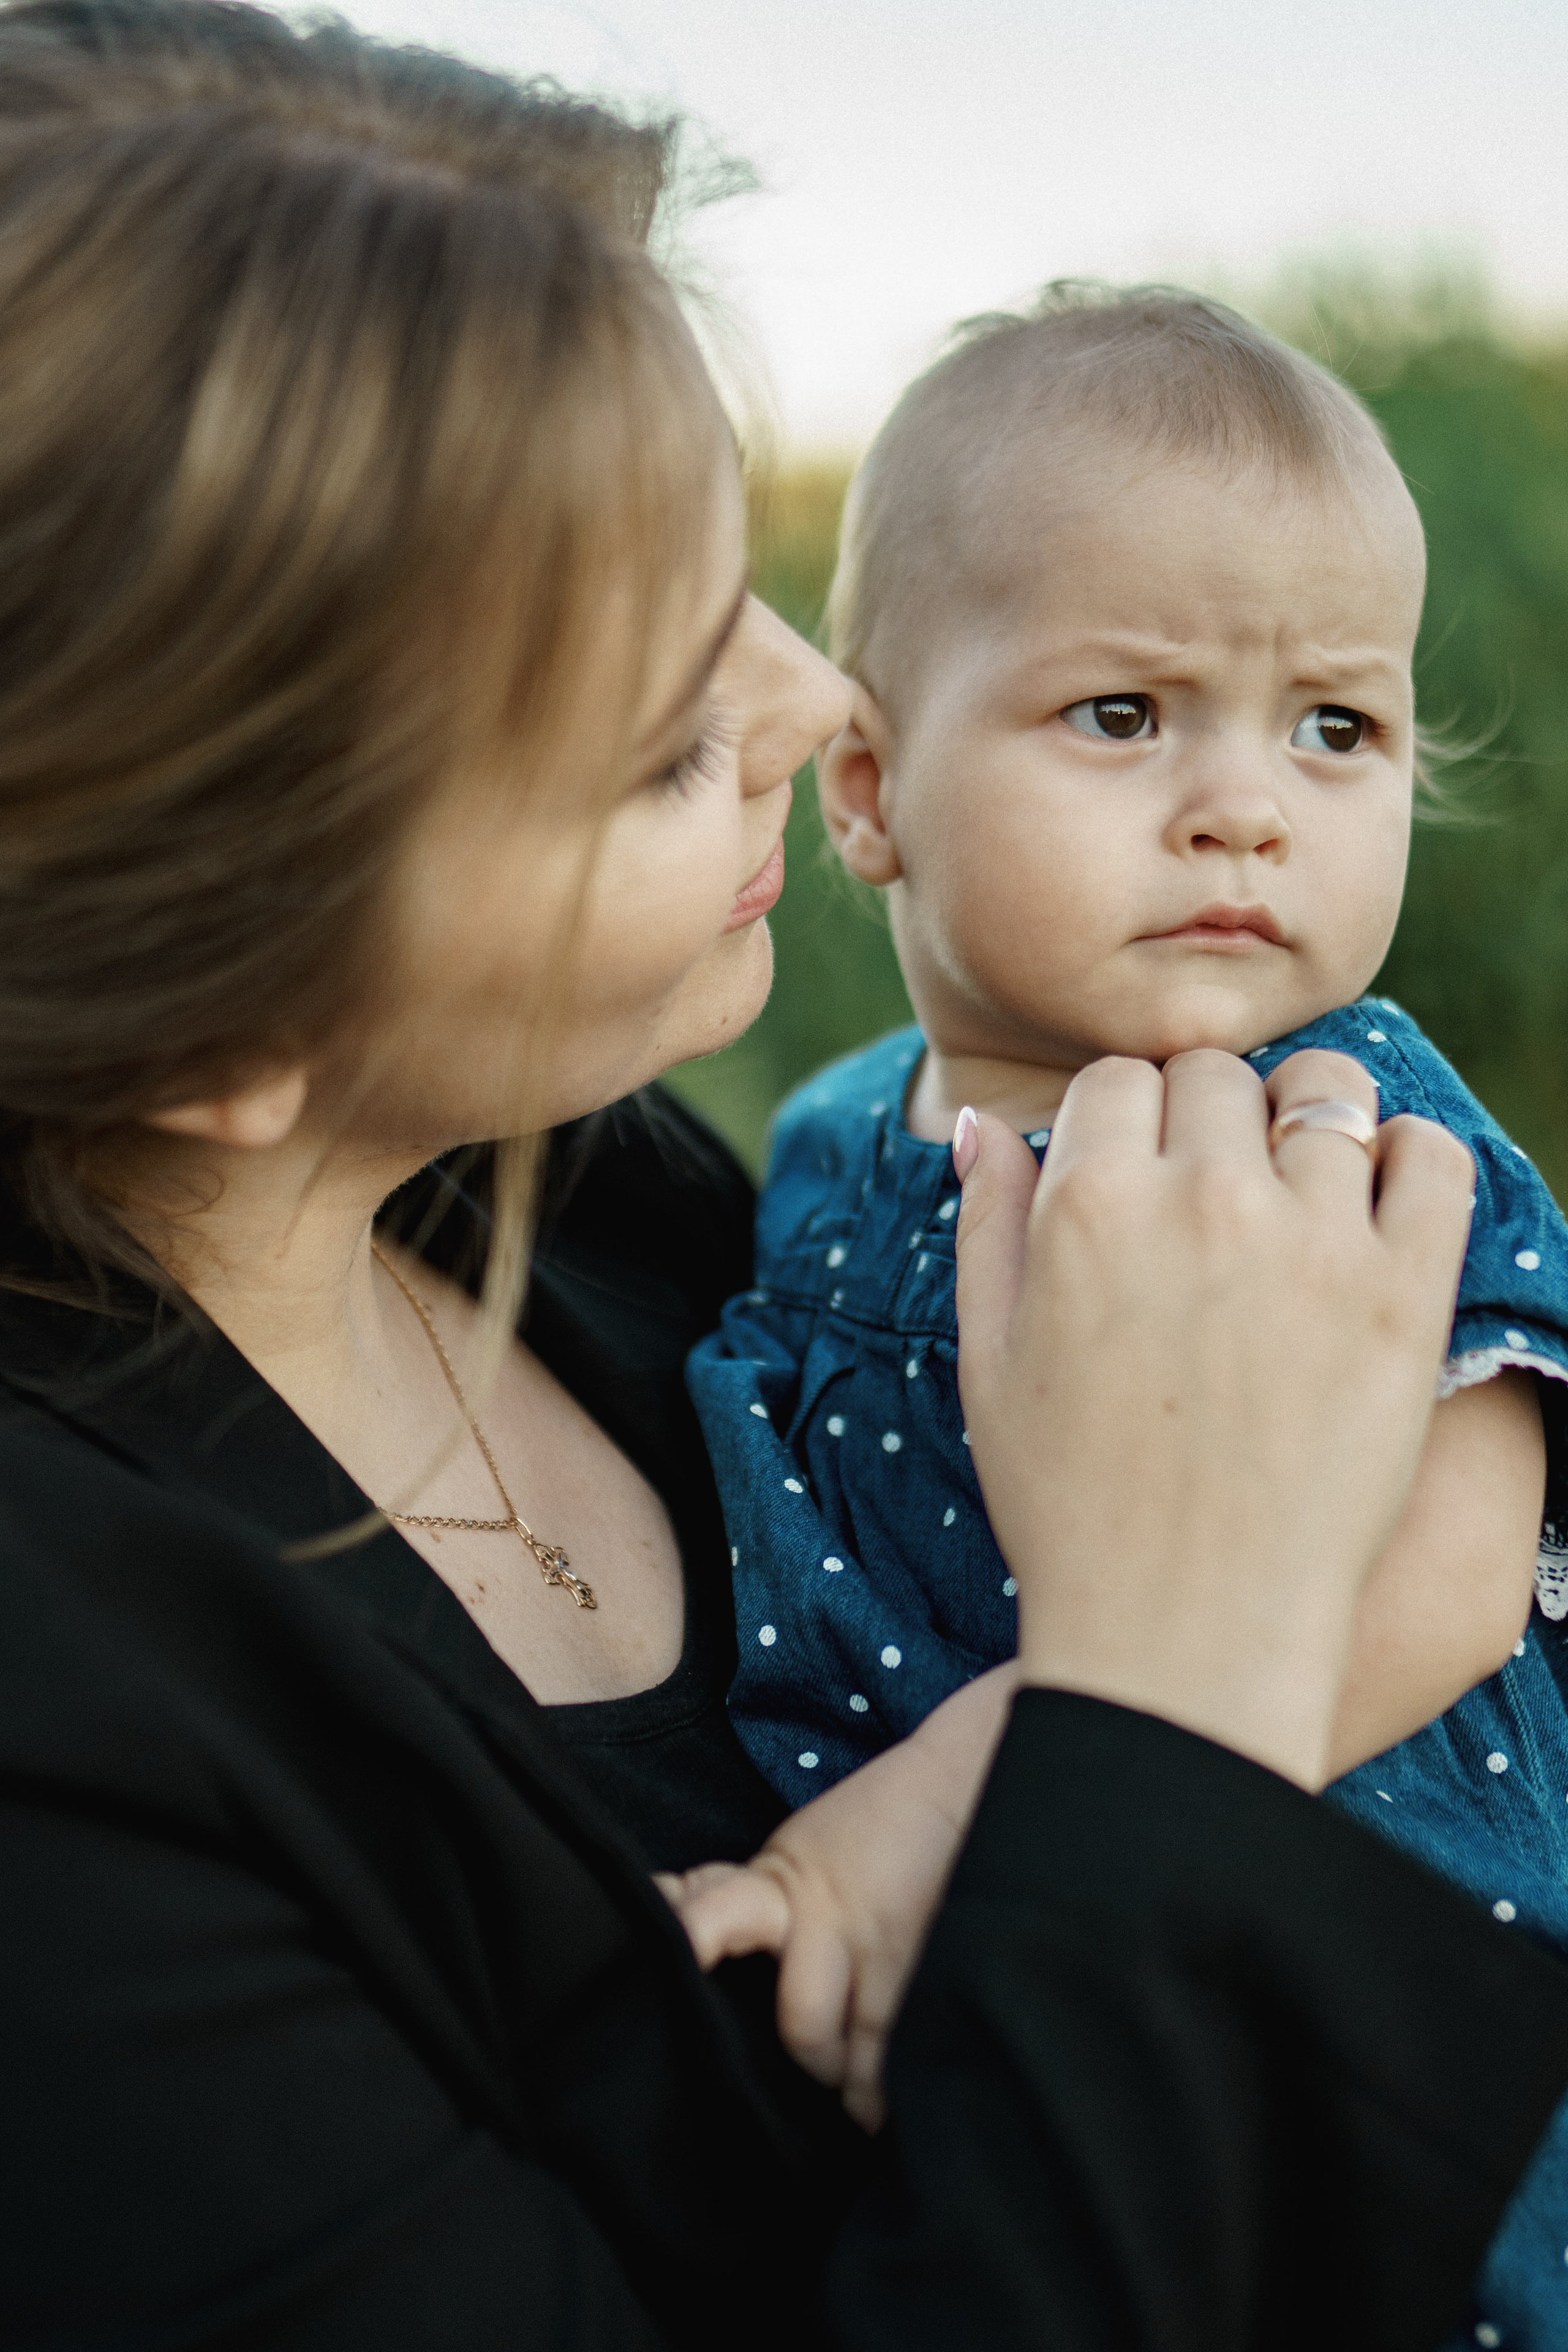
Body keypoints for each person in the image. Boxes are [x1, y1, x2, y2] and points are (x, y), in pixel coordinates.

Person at [2, 9, 1567, 2350]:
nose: (828, 710)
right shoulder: (78, 1807)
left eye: (746, 581)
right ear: (221, 1008)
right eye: (660, 739)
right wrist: (1159, 1694)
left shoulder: (598, 1181)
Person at [682, 288, 1568, 2341]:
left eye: (1335, 728)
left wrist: (952, 1806)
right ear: (867, 792)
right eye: (1123, 714)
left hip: (1382, 2012)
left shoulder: (1352, 1127)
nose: (1246, 806)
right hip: (1011, 2074)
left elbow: (1460, 1569)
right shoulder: (827, 1155)